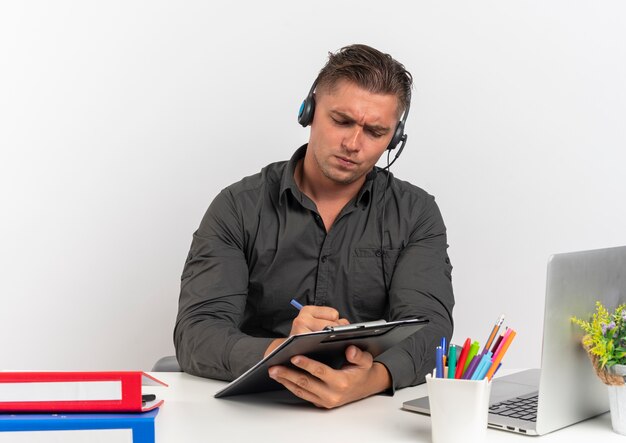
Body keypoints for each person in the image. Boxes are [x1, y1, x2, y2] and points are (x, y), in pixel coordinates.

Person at [174, 44, 454, 409]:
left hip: (367, 413)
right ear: (309, 111)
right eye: (341, 121)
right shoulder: (238, 207)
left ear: (394, 139)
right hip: (254, 410)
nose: (353, 144)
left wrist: (371, 379)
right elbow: (196, 333)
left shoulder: (416, 213)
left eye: (375, 132)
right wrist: (286, 352)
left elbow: (431, 329)